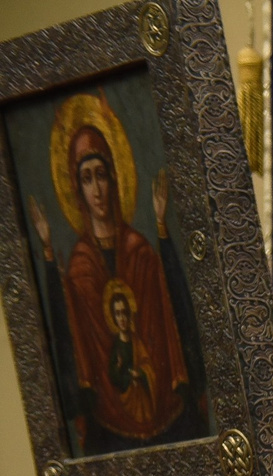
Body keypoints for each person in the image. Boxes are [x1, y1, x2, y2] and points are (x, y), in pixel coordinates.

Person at [33, 113, 200, 451]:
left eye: (101, 175)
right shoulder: (79, 268)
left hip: (167, 418)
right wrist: (49, 255)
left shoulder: (140, 251)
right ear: (77, 189)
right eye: (86, 179)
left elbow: (171, 321)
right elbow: (71, 341)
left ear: (113, 177)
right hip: (110, 428)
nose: (96, 189)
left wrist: (162, 228)